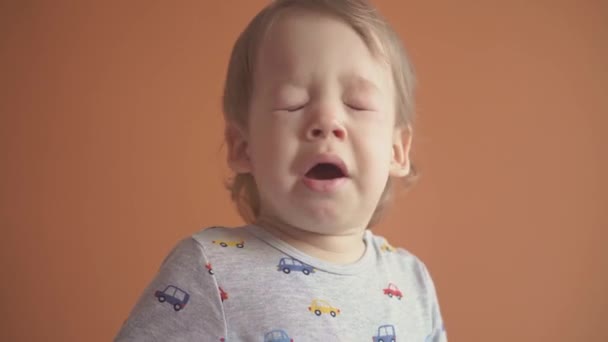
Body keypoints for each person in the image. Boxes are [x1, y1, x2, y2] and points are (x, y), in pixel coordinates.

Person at [115, 0, 447, 341]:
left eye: (357, 104)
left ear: (397, 150)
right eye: (294, 103)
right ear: (243, 147)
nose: (327, 121)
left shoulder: (412, 282)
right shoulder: (210, 269)